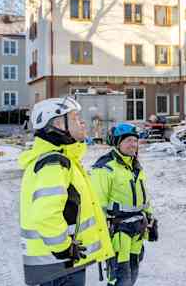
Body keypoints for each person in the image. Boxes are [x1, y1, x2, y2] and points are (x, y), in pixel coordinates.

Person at [18, 97, 114, 285]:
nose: (82, 122)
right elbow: (45, 215)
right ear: (59, 123)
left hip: (60, 264)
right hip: (59, 265)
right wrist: (64, 247)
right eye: (76, 117)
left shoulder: (63, 160)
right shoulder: (54, 164)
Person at [90, 123, 158, 286]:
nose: (133, 144)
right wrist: (101, 235)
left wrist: (151, 219)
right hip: (118, 231)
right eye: (128, 140)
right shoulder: (105, 167)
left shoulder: (134, 166)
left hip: (137, 229)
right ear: (117, 142)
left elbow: (143, 196)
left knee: (133, 272)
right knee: (120, 278)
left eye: (135, 140)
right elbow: (98, 204)